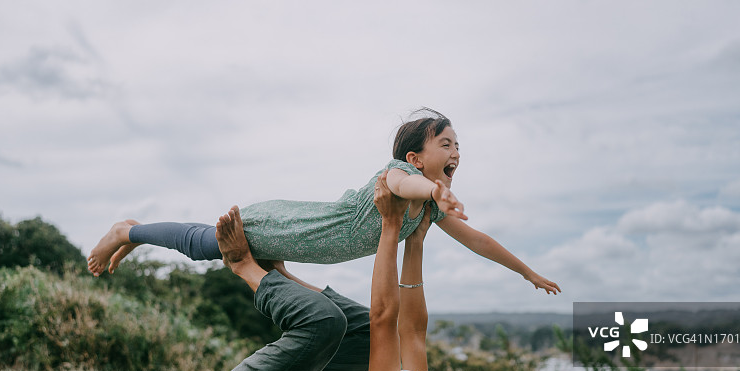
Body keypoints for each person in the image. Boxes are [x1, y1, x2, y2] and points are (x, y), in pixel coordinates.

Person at [208, 174, 522, 371]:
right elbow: (411, 331)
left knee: (325, 322)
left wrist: (390, 224)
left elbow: (385, 317)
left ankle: (243, 264)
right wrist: (416, 237)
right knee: (363, 334)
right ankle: (278, 274)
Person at [87, 108, 560, 295]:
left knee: (218, 250)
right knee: (205, 245)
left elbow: (478, 240)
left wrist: (527, 273)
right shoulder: (399, 176)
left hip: (300, 232)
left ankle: (133, 232)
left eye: (458, 146)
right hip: (289, 227)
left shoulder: (433, 207)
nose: (455, 153)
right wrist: (437, 188)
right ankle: (127, 231)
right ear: (416, 156)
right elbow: (406, 187)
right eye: (446, 144)